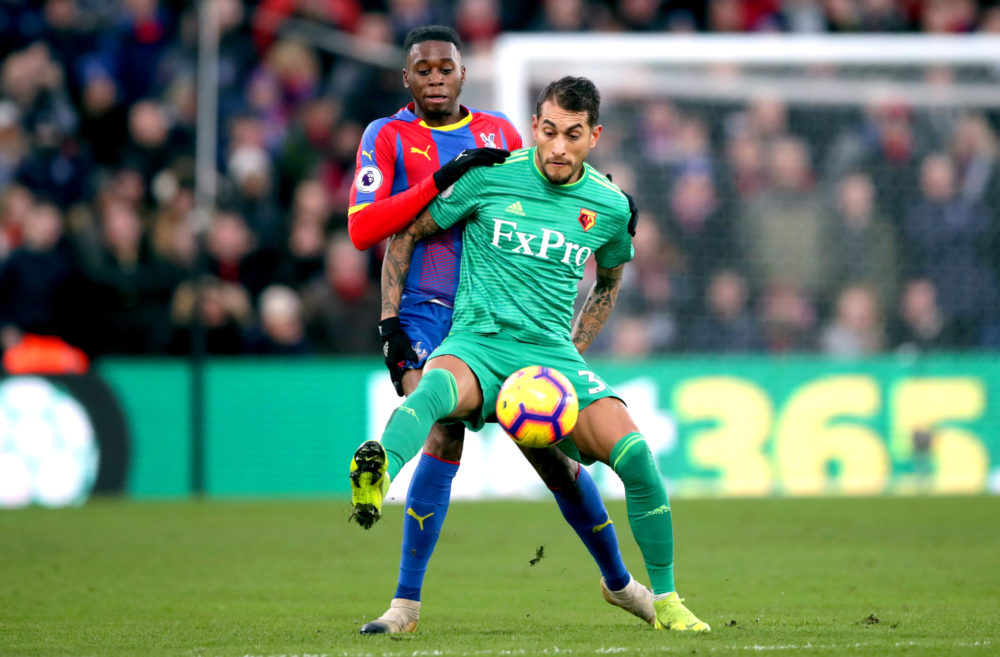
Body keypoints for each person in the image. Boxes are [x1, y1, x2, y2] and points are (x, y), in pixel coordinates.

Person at [350, 75, 710, 633]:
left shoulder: (610, 206)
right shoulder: (489, 177)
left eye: (573, 135)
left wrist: (572, 354)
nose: (558, 147)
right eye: (549, 131)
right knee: (434, 392)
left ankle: (664, 599)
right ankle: (378, 476)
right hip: (477, 344)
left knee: (637, 457)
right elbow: (406, 236)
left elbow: (609, 282)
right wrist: (391, 322)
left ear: (594, 136)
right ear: (534, 127)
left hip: (549, 358)